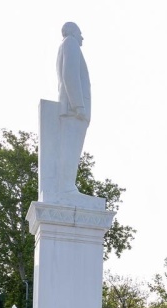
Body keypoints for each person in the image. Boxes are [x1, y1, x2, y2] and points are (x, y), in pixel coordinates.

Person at [56, 21, 91, 197]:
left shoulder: (66, 45)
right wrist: (79, 105)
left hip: (72, 108)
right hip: (73, 109)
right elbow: (69, 74)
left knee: (71, 149)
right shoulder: (70, 42)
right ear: (73, 32)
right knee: (70, 149)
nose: (82, 37)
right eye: (80, 33)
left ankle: (68, 185)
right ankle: (67, 187)